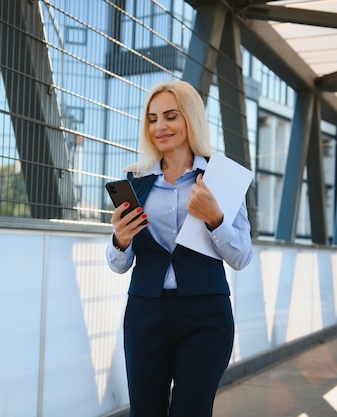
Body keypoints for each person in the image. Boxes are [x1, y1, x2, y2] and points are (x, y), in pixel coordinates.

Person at [106, 80, 253, 417]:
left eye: (170, 116)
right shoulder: (134, 180)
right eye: (153, 118)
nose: (160, 126)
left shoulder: (223, 177)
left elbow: (242, 256)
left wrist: (215, 218)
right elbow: (117, 263)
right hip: (146, 314)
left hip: (206, 313)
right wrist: (121, 239)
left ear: (191, 119)